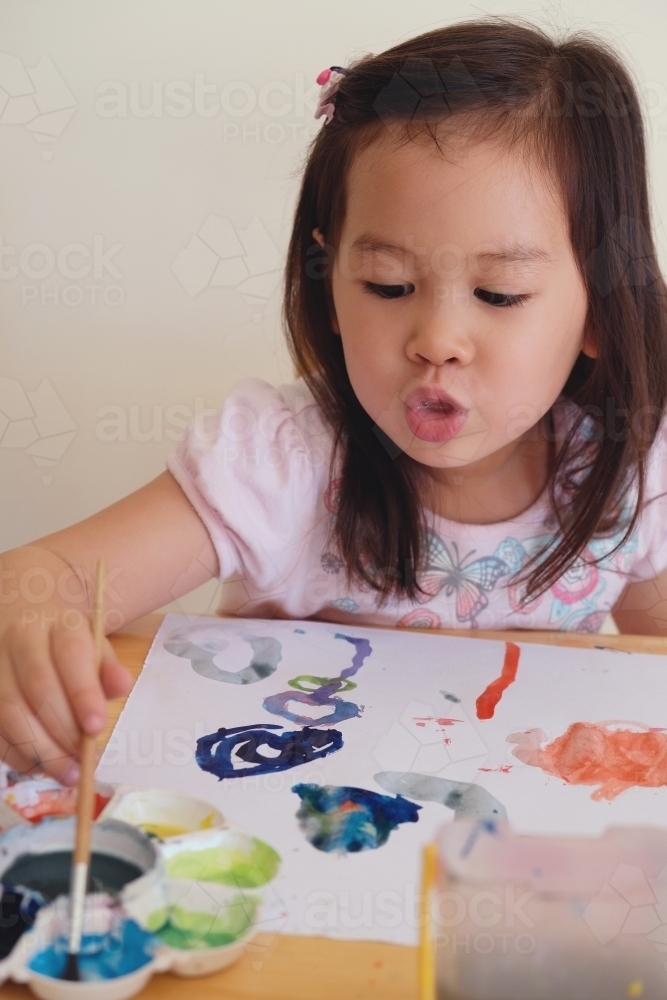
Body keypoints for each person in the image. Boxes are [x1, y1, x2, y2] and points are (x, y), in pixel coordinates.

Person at [2, 17, 667, 787]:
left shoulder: (628, 473)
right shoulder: (279, 459)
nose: (437, 339)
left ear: (600, 306)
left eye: (498, 293)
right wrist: (26, 621)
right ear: (327, 283)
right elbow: (48, 574)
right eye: (387, 285)